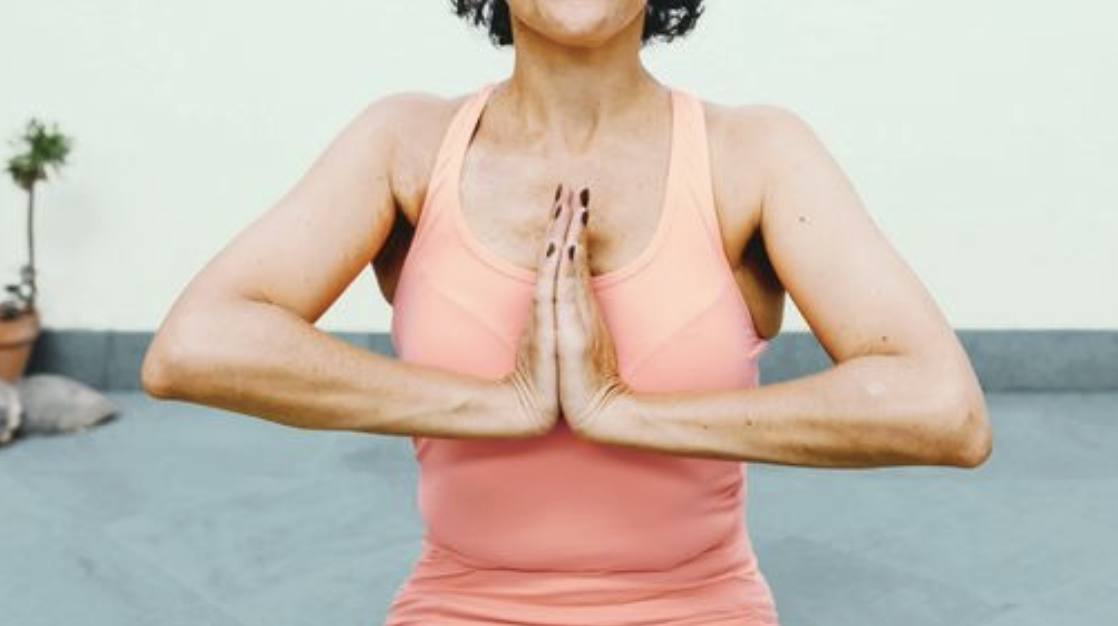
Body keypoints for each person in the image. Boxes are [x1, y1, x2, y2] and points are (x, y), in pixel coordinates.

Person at [141, 1, 993, 624]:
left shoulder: (755, 155)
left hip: (697, 607)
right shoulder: (405, 142)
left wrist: (620, 412)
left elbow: (943, 410)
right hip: (459, 603)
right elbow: (194, 346)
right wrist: (501, 405)